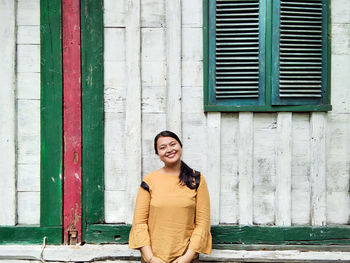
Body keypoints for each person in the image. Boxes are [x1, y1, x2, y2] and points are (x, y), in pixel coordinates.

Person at [129, 130, 212, 263]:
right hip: (154, 258)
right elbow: (139, 223)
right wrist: (150, 258)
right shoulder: (149, 181)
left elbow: (203, 224)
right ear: (158, 154)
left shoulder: (197, 179)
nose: (169, 149)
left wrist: (187, 257)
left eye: (172, 144)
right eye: (162, 147)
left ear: (180, 146)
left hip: (186, 258)